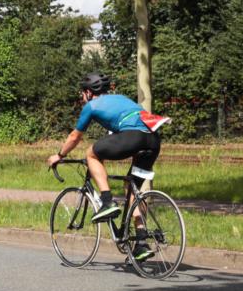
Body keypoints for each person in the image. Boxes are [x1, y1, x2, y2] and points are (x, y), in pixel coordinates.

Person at [46, 73, 168, 261]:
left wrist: (60, 155)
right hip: (152, 140)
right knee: (132, 188)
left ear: (88, 92)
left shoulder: (91, 106)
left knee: (91, 154)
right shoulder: (121, 99)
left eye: (82, 93)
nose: (81, 97)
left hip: (132, 136)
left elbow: (75, 137)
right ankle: (141, 242)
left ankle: (107, 201)